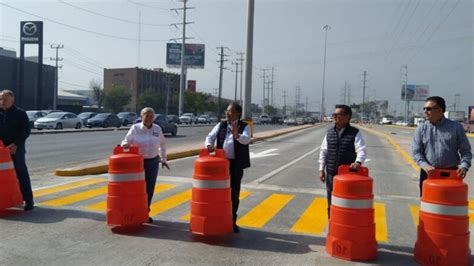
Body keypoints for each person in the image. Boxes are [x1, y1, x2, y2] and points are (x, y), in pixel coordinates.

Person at [205, 102, 251, 233]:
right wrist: (209, 145)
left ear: (237, 113)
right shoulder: (221, 124)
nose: (227, 113)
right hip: (221, 164)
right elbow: (210, 136)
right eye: (227, 111)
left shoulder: (244, 126)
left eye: (230, 111)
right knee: (219, 192)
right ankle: (218, 218)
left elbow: (246, 140)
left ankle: (232, 221)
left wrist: (237, 135)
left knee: (234, 193)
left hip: (236, 164)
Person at [412, 96, 471, 196]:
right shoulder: (421, 129)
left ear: (440, 110)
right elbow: (416, 152)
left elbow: (466, 151)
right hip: (428, 173)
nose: (425, 111)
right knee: (428, 206)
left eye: (429, 109)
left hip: (451, 174)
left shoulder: (456, 128)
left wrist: (464, 166)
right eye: (424, 108)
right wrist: (425, 165)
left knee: (450, 206)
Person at [121, 107, 170, 223]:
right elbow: (125, 141)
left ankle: (144, 213)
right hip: (137, 164)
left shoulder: (157, 129)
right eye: (146, 116)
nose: (148, 118)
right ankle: (133, 213)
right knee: (136, 189)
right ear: (141, 116)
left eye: (151, 116)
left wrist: (163, 159)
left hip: (153, 162)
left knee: (149, 189)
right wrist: (125, 145)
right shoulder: (135, 128)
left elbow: (162, 145)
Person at [318, 105, 367, 218]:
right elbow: (323, 152)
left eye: (337, 115)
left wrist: (358, 162)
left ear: (347, 117)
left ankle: (344, 222)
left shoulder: (355, 133)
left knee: (345, 202)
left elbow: (361, 150)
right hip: (331, 174)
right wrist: (321, 169)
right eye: (334, 115)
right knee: (331, 199)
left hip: (347, 175)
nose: (334, 117)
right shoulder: (329, 133)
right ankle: (332, 221)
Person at [0, 90, 34, 211]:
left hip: (15, 148)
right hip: (1, 150)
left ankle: (28, 200)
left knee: (21, 173)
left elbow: (26, 131)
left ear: (12, 100)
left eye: (5, 99)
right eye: (1, 99)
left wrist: (16, 144)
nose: (2, 102)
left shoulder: (20, 113)